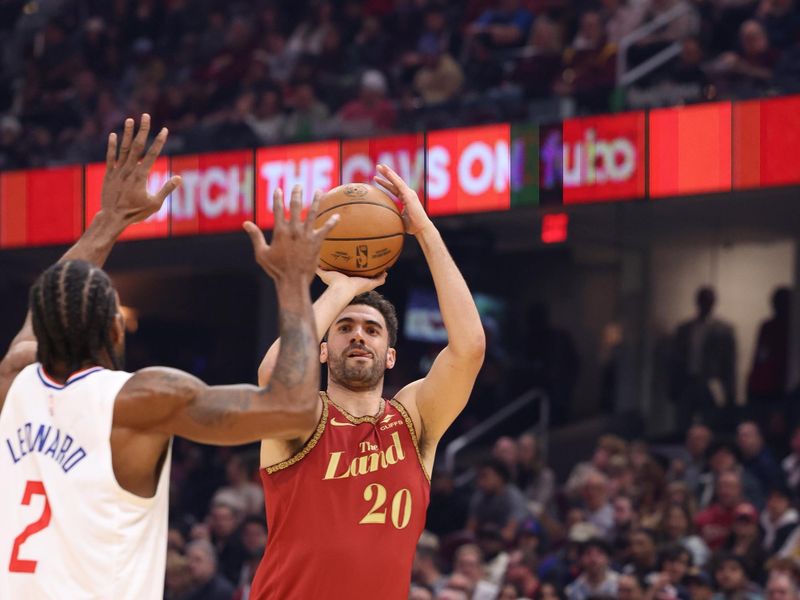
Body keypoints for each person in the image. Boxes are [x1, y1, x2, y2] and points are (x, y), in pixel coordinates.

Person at [0, 115, 339, 599]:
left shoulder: (15, 380)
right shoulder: (143, 399)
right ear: (116, 326)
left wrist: (108, 220)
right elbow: (294, 408)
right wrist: (292, 286)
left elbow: (51, 297)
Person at [249, 165, 486, 599]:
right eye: (345, 328)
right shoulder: (306, 416)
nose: (359, 334)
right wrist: (339, 290)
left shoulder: (414, 419)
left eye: (372, 331)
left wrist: (426, 232)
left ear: (390, 356)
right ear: (321, 348)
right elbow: (275, 376)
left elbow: (469, 348)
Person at [669, 287, 737, 431]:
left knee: (710, 423)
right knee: (683, 423)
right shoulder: (685, 329)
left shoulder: (723, 330)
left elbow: (729, 362)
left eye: (709, 301)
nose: (705, 304)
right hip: (687, 382)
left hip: (711, 383)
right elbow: (675, 360)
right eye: (703, 300)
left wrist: (729, 392)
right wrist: (673, 387)